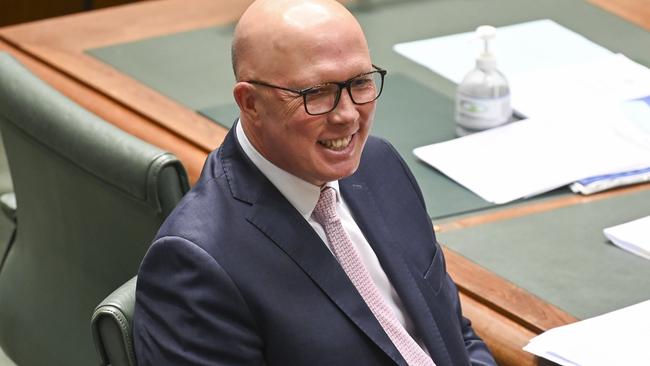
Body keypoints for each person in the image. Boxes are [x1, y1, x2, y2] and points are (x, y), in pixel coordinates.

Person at [134, 0, 497, 365]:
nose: (347, 115)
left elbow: (455, 338)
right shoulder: (195, 264)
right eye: (316, 93)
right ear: (251, 103)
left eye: (359, 82)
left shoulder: (379, 166)